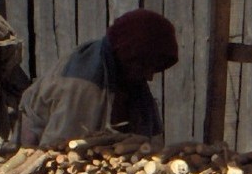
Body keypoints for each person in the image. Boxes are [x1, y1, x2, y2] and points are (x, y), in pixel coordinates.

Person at [17, 9, 179, 148]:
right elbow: (62, 150)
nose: (149, 77)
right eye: (145, 66)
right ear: (128, 57)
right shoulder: (84, 87)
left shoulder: (129, 77)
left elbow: (153, 141)